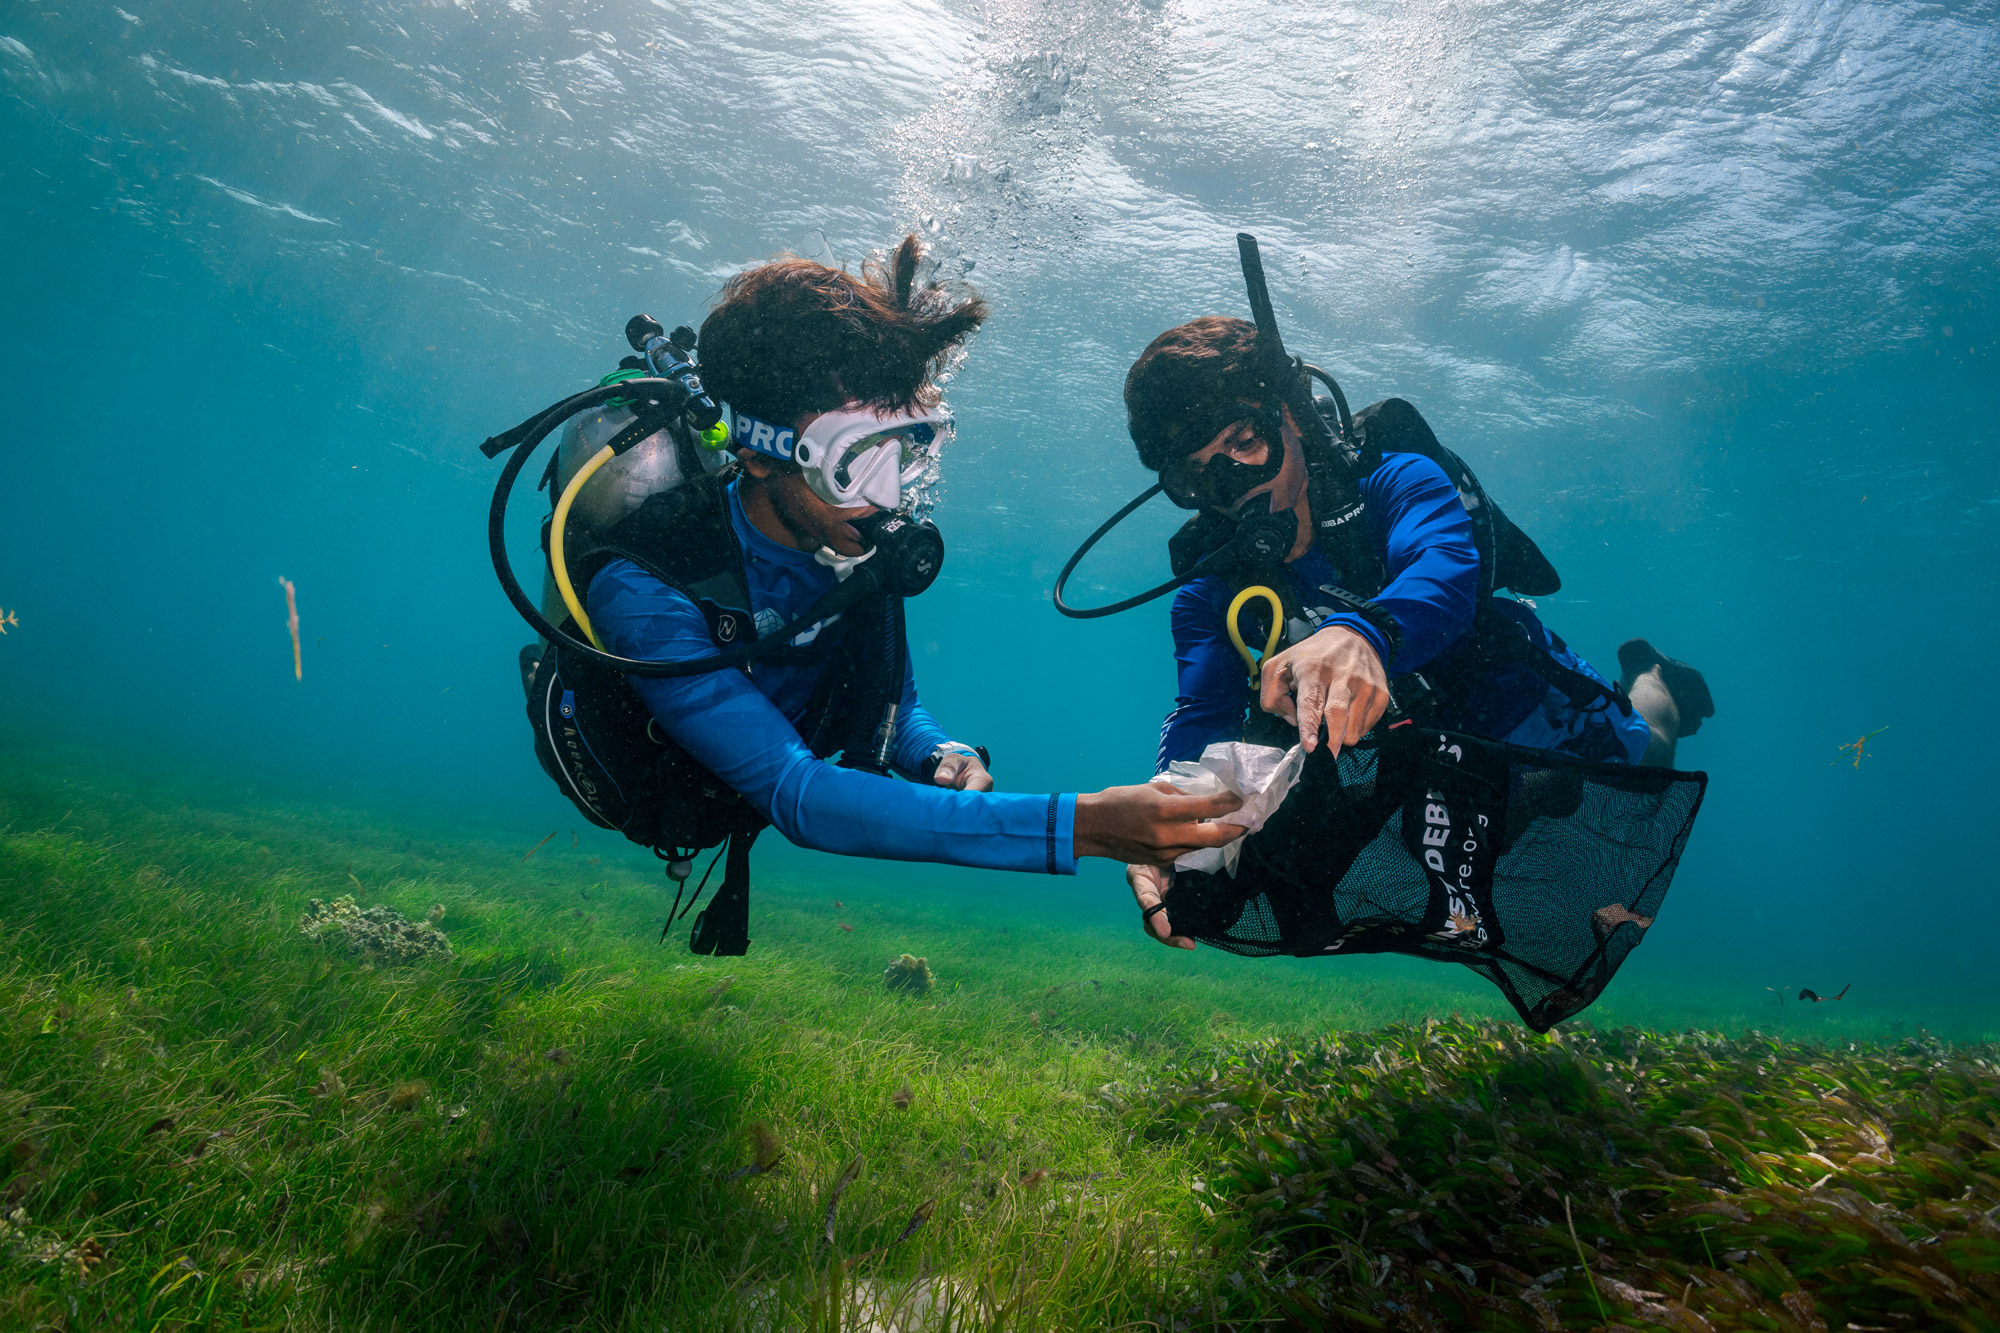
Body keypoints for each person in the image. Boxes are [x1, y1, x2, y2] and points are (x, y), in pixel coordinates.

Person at [518, 235, 1240, 955]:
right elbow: (799, 796)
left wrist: (936, 753)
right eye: (856, 459)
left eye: (909, 447)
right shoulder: (646, 587)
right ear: (760, 455)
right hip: (646, 786)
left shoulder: (850, 546)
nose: (892, 495)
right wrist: (1083, 825)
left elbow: (893, 707)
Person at [1112, 315, 1714, 951]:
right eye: (1197, 477)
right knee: (1432, 847)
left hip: (1516, 693)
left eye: (1243, 441)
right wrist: (1168, 815)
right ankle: (1526, 792)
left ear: (1290, 415)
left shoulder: (1396, 480)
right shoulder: (1210, 592)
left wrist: (1363, 632)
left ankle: (1655, 684)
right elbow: (1202, 712)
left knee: (1644, 764)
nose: (1232, 485)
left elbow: (1444, 569)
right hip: (1418, 742)